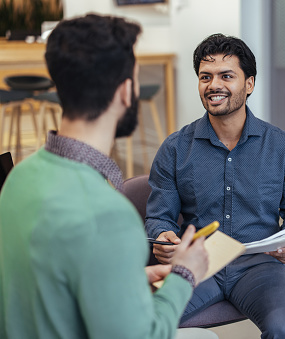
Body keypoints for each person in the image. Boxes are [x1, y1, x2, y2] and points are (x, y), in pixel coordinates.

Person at [0, 14, 215, 339]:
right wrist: (184, 274)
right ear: (126, 91)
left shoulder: (18, 178)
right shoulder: (108, 215)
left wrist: (123, 278)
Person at [145, 33, 285, 338]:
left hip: (260, 265)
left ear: (249, 84)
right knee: (141, 322)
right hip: (198, 264)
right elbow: (160, 217)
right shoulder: (174, 148)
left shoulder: (283, 147)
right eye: (205, 77)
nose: (214, 85)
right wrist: (161, 237)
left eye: (226, 76)